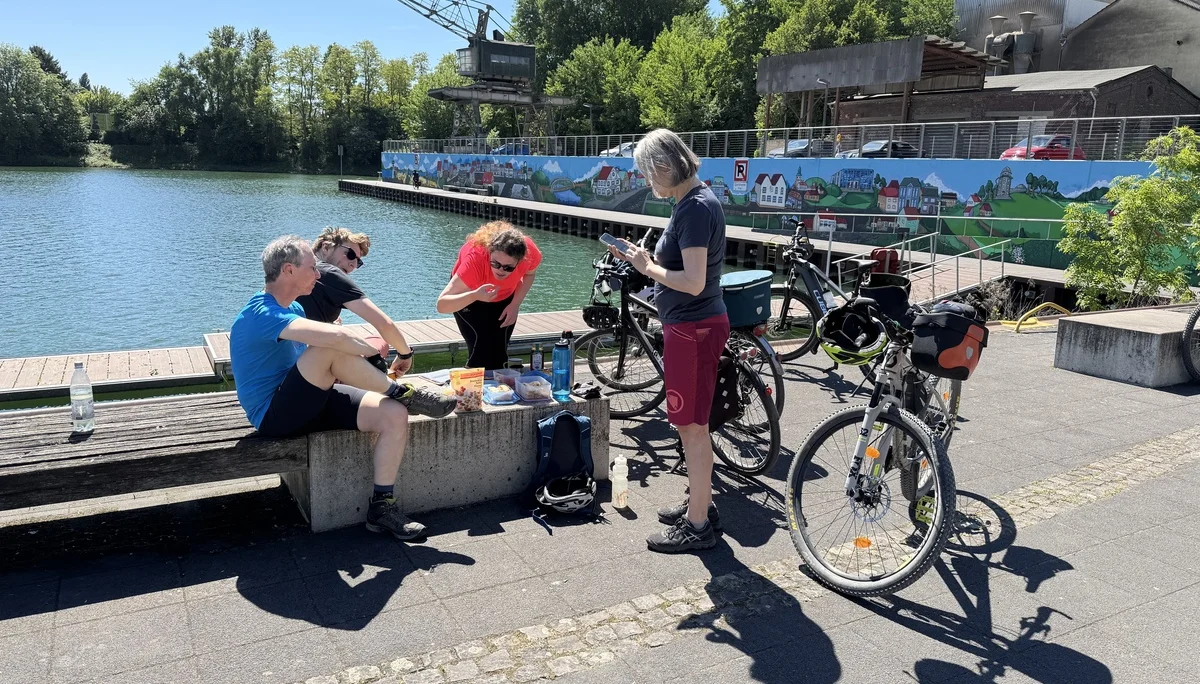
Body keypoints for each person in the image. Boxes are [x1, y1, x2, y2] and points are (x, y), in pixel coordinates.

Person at [230, 236, 457, 541]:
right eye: (312, 268)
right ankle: (404, 393)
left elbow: (318, 357)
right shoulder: (261, 313)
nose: (319, 274)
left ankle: (382, 508)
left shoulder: (294, 306)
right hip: (274, 416)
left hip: (305, 402)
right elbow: (331, 345)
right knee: (329, 348)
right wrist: (370, 352)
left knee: (392, 415)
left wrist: (354, 354)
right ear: (288, 270)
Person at [608, 128, 729, 554]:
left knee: (691, 428)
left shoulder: (694, 208)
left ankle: (697, 526)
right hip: (693, 327)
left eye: (647, 172)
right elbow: (684, 266)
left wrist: (647, 267)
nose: (647, 181)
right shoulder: (694, 201)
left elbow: (693, 282)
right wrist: (647, 260)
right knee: (692, 426)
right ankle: (702, 504)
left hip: (693, 329)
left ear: (665, 165)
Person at [297, 227, 414, 376]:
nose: (353, 264)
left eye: (358, 262)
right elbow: (384, 324)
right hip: (307, 365)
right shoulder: (329, 273)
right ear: (326, 247)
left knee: (378, 343)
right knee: (379, 345)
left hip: (295, 357)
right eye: (350, 254)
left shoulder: (299, 272)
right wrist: (406, 354)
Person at [436, 221, 542, 370]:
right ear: (489, 253)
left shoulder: (530, 252)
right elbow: (442, 305)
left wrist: (515, 305)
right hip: (470, 294)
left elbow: (530, 274)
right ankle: (473, 389)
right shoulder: (475, 260)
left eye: (508, 267)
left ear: (520, 261)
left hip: (505, 296)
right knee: (480, 349)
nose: (500, 270)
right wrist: (474, 295)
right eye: (495, 264)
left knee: (499, 352)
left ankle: (500, 392)